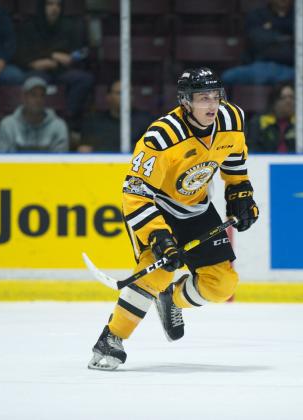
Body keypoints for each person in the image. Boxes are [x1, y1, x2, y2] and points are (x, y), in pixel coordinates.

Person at [88, 68, 260, 370]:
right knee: (156, 273)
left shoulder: (232, 119)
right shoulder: (161, 137)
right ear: (185, 102)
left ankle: (170, 300)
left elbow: (234, 159)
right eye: (202, 98)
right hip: (157, 209)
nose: (211, 105)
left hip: (196, 208)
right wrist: (158, 236)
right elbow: (136, 195)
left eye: (215, 96)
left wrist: (240, 192)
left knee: (222, 285)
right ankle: (111, 339)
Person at [15, 0, 94, 132]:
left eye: (58, 5)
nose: (54, 8)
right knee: (35, 83)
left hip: (61, 71)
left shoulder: (69, 26)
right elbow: (19, 54)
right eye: (50, 4)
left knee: (84, 79)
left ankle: (66, 118)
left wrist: (70, 58)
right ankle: (38, 122)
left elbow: (80, 52)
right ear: (42, 7)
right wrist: (35, 62)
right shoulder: (29, 26)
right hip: (37, 70)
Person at [221, 0, 303, 86]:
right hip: (263, 67)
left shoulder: (302, 17)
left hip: (293, 69)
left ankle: (290, 98)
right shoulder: (257, 15)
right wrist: (288, 36)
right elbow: (258, 40)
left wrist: (273, 28)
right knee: (228, 76)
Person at [0, 76, 69, 152]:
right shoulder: (7, 125)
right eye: (33, 95)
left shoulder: (58, 126)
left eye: (42, 95)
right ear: (24, 97)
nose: (38, 100)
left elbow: (60, 161)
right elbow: (0, 160)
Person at [78, 80, 154, 152]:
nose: (125, 97)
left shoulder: (145, 121)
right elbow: (84, 150)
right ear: (108, 97)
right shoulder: (94, 122)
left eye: (129, 93)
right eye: (119, 93)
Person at [246, 82, 303, 152]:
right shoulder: (259, 122)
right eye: (283, 97)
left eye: (291, 97)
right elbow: (252, 148)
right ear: (274, 102)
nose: (288, 101)